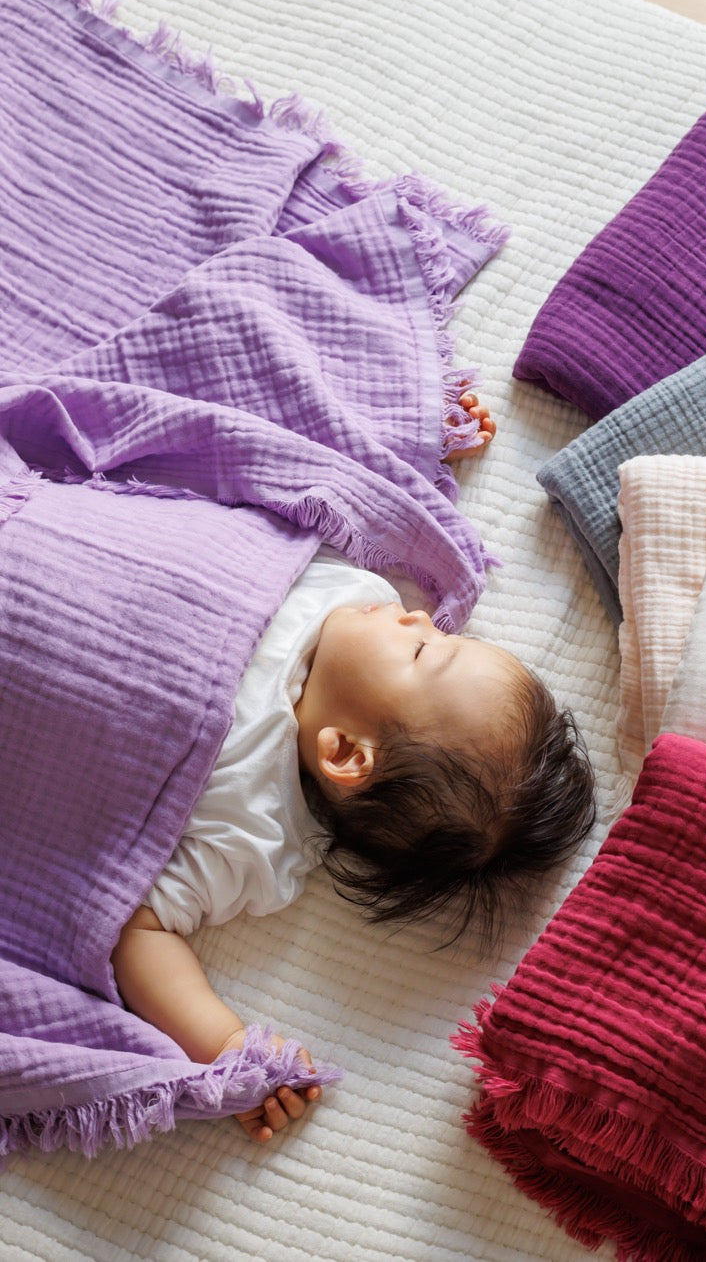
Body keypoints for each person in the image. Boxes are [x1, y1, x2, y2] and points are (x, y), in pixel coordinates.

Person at [111, 396, 596, 1144]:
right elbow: (303, 465)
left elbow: (136, 931)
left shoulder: (253, 824)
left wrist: (225, 1045)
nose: (417, 617)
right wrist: (415, 433)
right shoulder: (350, 591)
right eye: (439, 632)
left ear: (346, 754)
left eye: (423, 651)